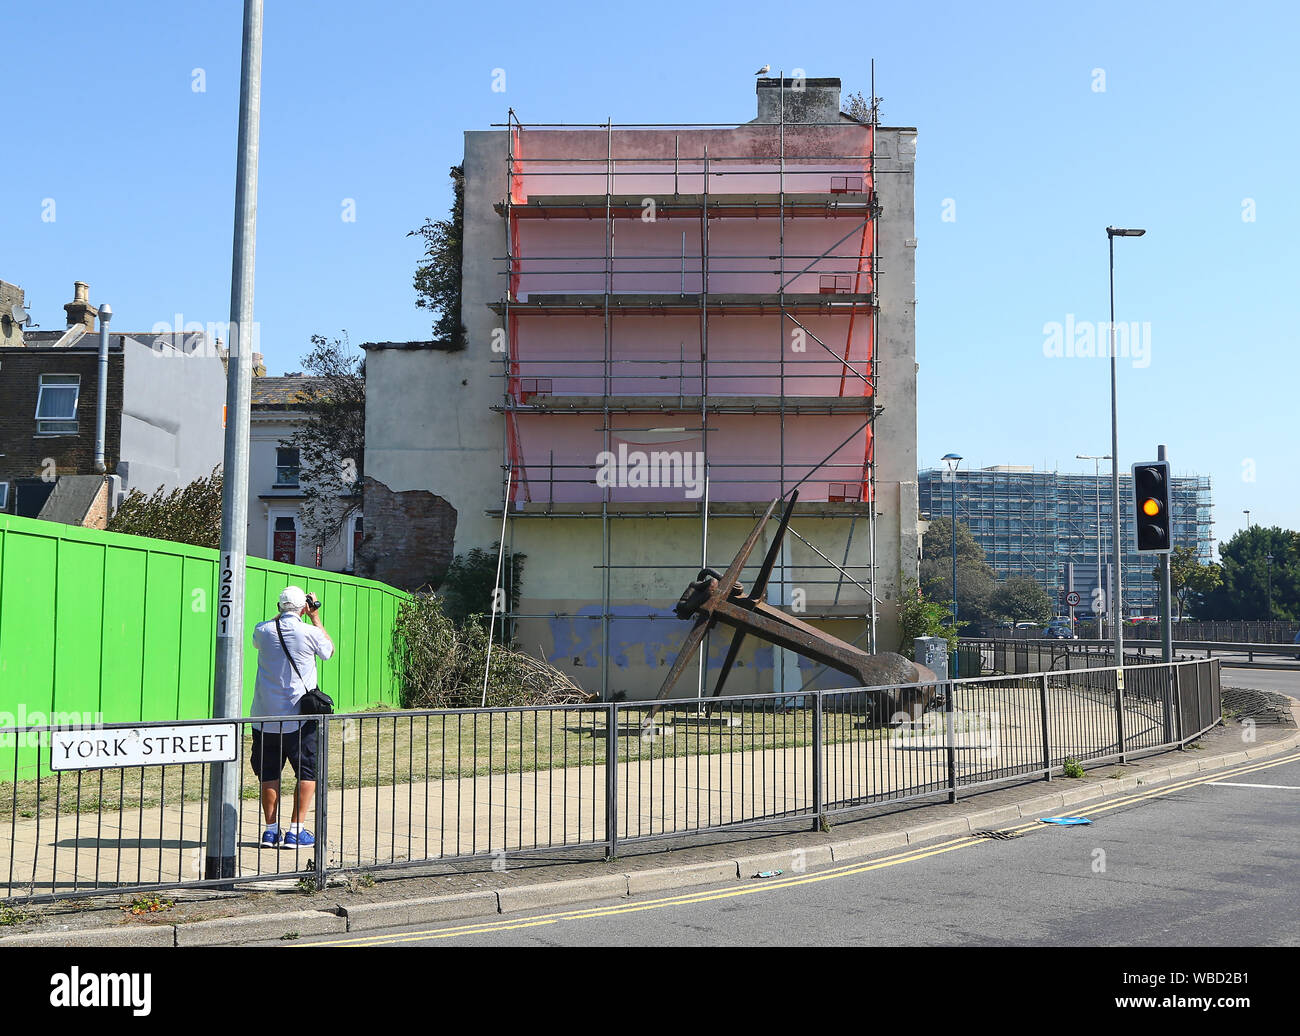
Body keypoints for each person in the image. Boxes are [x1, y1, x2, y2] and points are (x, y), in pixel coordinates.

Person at [250, 585, 334, 849]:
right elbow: (328, 651)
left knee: (269, 773)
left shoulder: (262, 630)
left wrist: (282, 615)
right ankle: (296, 831)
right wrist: (315, 616)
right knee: (307, 771)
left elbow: (265, 633)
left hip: (264, 717)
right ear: (304, 607)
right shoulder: (309, 632)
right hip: (300, 718)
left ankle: (270, 831)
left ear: (278, 607)